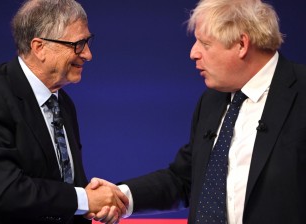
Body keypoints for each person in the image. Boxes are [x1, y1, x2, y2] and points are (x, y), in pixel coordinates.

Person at [88, 0, 306, 223]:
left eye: (205, 43)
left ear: (242, 44)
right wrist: (120, 197)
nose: (193, 53)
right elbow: (186, 179)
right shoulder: (211, 100)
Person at [0, 0, 127, 223]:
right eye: (78, 44)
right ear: (39, 47)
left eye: (87, 42)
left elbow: (67, 188)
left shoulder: (63, 103)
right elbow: (4, 191)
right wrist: (85, 199)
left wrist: (91, 206)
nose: (88, 54)